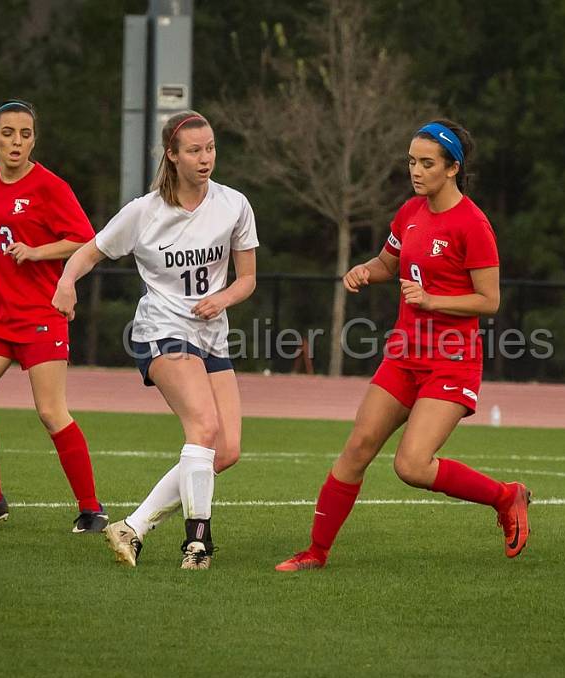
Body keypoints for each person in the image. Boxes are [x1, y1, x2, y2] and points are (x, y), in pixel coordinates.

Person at [275, 119, 530, 572]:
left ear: (453, 168)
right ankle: (316, 553)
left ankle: (505, 496)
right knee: (357, 449)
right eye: (412, 161)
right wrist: (364, 271)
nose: (416, 170)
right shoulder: (410, 211)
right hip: (404, 355)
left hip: (451, 361)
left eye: (427, 163)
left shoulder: (473, 225)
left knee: (411, 465)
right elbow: (388, 263)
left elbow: (489, 301)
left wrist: (433, 299)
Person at [53, 110, 258, 570]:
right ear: (172, 154)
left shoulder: (234, 204)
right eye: (194, 150)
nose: (205, 158)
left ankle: (134, 526)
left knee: (224, 451)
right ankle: (198, 543)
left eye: (210, 148)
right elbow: (90, 250)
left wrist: (221, 298)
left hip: (212, 336)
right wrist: (67, 282)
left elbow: (247, 280)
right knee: (203, 428)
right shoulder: (144, 212)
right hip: (161, 331)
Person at [0, 99, 107, 533]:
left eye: (24, 134)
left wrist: (38, 252)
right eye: (7, 133)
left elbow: (85, 239)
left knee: (51, 412)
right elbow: (1, 241)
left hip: (41, 313)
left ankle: (92, 509)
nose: (16, 142)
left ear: (33, 139)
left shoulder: (50, 186)